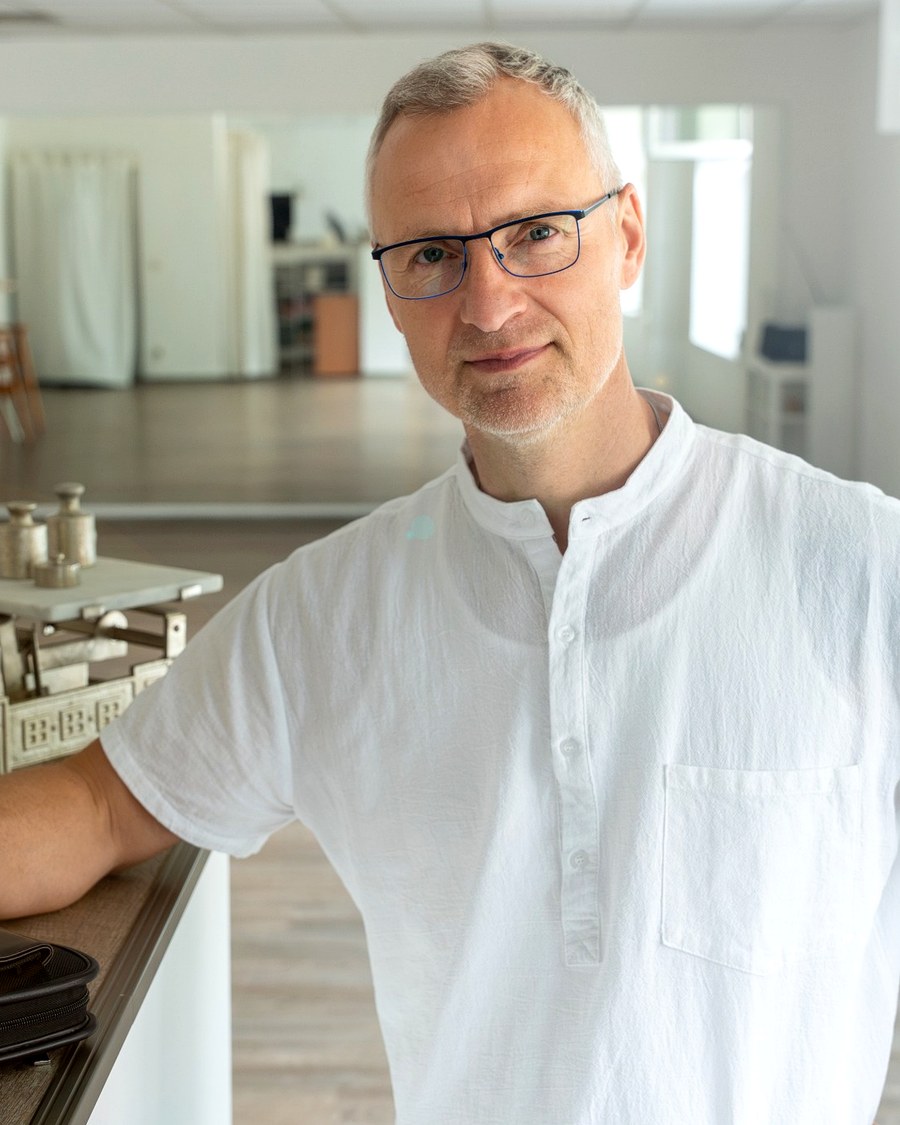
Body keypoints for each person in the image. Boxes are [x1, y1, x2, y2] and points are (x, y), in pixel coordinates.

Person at [1, 41, 899, 1125]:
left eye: (537, 232)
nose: (487, 302)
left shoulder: (860, 567)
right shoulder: (323, 615)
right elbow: (101, 805)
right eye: (431, 253)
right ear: (389, 292)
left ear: (627, 236)